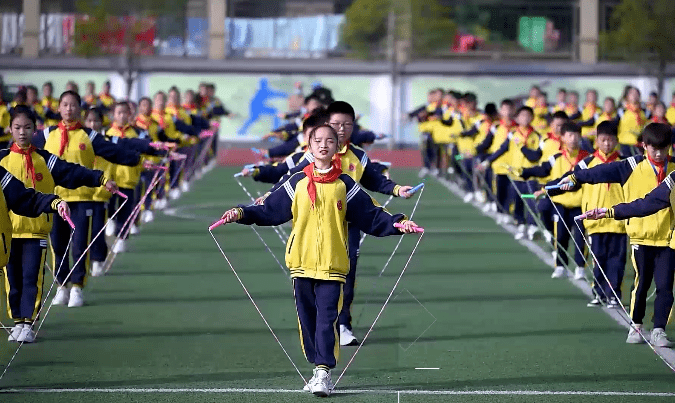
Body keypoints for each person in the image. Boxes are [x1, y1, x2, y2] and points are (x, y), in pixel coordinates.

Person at [218, 124, 420, 396]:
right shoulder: (297, 181)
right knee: (308, 321)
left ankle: (323, 371)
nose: (323, 145)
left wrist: (400, 224)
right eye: (318, 141)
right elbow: (269, 210)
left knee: (327, 319)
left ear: (337, 147)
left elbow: (371, 214)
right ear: (309, 147)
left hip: (333, 265)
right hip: (301, 262)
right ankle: (317, 366)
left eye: (329, 141)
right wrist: (241, 213)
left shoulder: (344, 184)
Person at [2, 106, 116, 342]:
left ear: (36, 130)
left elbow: (72, 172)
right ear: (9, 129)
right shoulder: (2, 159)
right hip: (9, 232)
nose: (22, 133)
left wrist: (100, 178)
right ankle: (17, 322)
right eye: (17, 128)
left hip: (38, 230)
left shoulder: (45, 159)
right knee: (12, 280)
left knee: (32, 277)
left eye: (27, 128)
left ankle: (28, 323)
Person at [558, 123, 675, 345]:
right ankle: (636, 325)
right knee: (641, 285)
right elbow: (602, 172)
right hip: (641, 236)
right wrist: (576, 177)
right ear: (644, 146)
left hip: (668, 238)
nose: (659, 154)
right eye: (654, 149)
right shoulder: (632, 165)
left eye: (664, 149)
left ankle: (659, 329)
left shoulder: (674, 171)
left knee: (665, 285)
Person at [33, 91, 144, 307]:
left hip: (83, 197)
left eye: (73, 105)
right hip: (56, 200)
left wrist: (137, 159)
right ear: (59, 108)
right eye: (64, 105)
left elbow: (113, 151)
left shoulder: (88, 135)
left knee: (80, 244)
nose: (68, 109)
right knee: (58, 245)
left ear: (79, 109)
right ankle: (62, 285)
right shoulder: (47, 135)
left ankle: (77, 287)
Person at [520, 122, 589, 279]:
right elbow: (542, 170)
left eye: (576, 135)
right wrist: (524, 172)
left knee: (580, 238)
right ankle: (560, 266)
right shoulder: (556, 157)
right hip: (560, 203)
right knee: (561, 236)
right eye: (569, 135)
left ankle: (580, 267)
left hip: (580, 204)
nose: (573, 139)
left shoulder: (587, 158)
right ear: (563, 138)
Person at [570, 121, 626, 308]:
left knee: (616, 261)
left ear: (617, 141)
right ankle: (599, 293)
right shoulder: (586, 163)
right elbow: (571, 181)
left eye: (610, 140)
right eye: (603, 140)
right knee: (598, 258)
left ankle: (614, 295)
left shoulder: (625, 162)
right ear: (597, 141)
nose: (607, 144)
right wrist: (550, 189)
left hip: (618, 220)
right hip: (594, 221)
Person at [481, 106, 542, 240]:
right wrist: (488, 161)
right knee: (517, 201)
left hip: (530, 175)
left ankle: (532, 227)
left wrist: (523, 147)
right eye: (522, 116)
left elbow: (535, 156)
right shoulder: (513, 134)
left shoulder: (536, 136)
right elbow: (502, 149)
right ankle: (521, 224)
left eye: (528, 116)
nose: (525, 118)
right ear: (517, 118)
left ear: (532, 118)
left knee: (531, 202)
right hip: (515, 174)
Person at [617, 87, 646, 156]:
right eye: (632, 93)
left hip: (640, 145)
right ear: (627, 96)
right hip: (625, 144)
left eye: (636, 94)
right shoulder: (622, 111)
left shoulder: (645, 112)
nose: (634, 96)